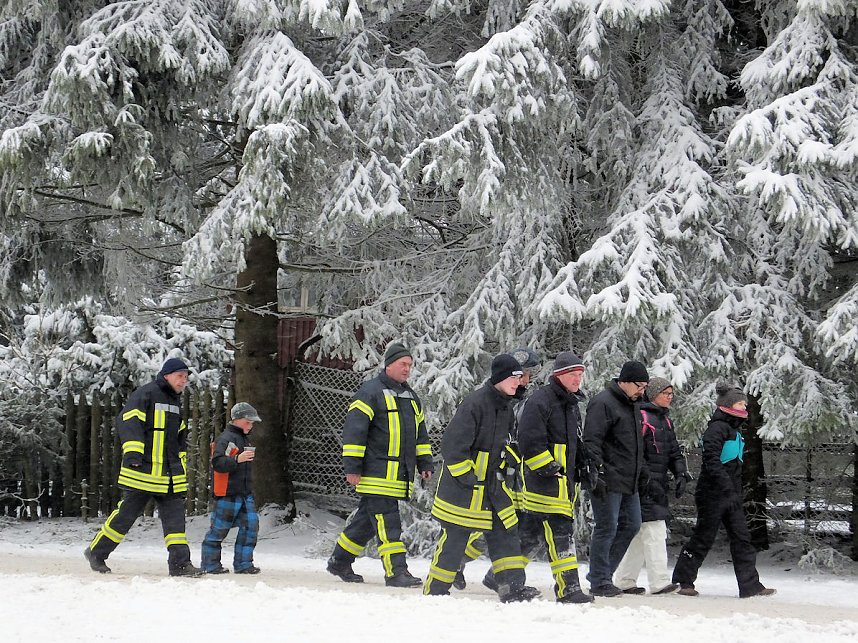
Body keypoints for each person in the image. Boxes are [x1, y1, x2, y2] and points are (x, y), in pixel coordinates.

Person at [424, 354, 540, 603]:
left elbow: (505, 442)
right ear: (500, 377)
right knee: (455, 539)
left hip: (494, 488)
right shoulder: (475, 403)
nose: (518, 382)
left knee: (506, 533)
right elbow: (454, 446)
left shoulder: (505, 406)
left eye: (520, 377)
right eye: (514, 377)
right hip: (465, 490)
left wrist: (511, 456)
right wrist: (468, 476)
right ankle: (436, 590)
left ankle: (512, 589)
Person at [327, 342, 434, 587]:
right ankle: (396, 572)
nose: (407, 369)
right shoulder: (370, 392)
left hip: (397, 474)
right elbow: (354, 433)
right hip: (375, 473)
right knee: (388, 522)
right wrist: (352, 467)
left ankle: (339, 561)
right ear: (389, 365)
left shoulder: (410, 396)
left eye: (410, 365)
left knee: (365, 522)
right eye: (402, 364)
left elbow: (420, 434)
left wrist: (424, 462)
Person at [84, 358, 203, 577]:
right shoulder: (146, 394)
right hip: (142, 472)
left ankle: (180, 565)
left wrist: (180, 467)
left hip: (168, 476)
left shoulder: (175, 402)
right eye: (180, 376)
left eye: (186, 378)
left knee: (176, 523)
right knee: (125, 517)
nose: (183, 381)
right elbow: (128, 420)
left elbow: (179, 437)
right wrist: (133, 454)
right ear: (166, 375)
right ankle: (96, 553)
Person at [672, 384, 776, 598]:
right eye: (740, 403)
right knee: (703, 537)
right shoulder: (716, 428)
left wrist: (733, 491)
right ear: (728, 405)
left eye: (744, 403)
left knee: (742, 537)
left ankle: (750, 586)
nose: (744, 406)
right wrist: (726, 487)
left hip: (731, 494)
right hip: (712, 493)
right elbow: (711, 461)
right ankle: (684, 581)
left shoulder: (735, 430)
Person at [453, 346, 541, 591]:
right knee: (491, 526)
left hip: (515, 476)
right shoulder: (500, 401)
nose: (526, 379)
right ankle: (458, 563)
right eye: (523, 374)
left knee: (511, 529)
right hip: (501, 479)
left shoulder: (518, 398)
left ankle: (500, 575)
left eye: (527, 374)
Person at [517, 351, 594, 603]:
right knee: (562, 534)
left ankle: (501, 575)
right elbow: (529, 440)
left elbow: (576, 443)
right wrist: (548, 468)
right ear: (559, 375)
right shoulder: (541, 401)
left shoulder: (571, 405)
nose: (577, 380)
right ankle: (568, 589)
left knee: (531, 535)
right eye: (573, 374)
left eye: (580, 375)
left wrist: (585, 468)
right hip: (545, 483)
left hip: (562, 483)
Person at [613, 377, 691, 595]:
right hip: (643, 485)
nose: (669, 397)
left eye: (671, 394)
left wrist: (680, 473)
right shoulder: (642, 417)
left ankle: (625, 580)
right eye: (665, 393)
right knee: (655, 530)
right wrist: (646, 479)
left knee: (640, 533)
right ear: (653, 394)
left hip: (658, 484)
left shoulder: (665, 420)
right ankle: (659, 582)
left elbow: (674, 450)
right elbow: (636, 452)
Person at [581, 359, 648, 596]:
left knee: (632, 524)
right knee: (607, 526)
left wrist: (643, 470)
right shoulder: (603, 403)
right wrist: (595, 470)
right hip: (607, 477)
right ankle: (599, 579)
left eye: (645, 387)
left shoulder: (634, 405)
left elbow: (635, 443)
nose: (642, 391)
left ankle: (603, 574)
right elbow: (592, 440)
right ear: (625, 382)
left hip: (629, 478)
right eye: (639, 385)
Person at [200, 402, 262, 575]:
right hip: (227, 492)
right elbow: (218, 463)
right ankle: (210, 565)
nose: (251, 425)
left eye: (252, 422)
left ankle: (244, 564)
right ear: (237, 419)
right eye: (248, 421)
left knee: (251, 526)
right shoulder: (226, 439)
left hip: (243, 493)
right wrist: (237, 460)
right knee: (219, 530)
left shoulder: (243, 438)